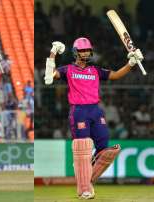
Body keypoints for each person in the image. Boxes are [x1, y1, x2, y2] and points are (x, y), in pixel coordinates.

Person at [44, 37, 143, 199]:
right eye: (82, 50)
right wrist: (53, 52)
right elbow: (49, 77)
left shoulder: (95, 71)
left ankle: (86, 181)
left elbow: (117, 75)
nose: (86, 53)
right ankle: (84, 190)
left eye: (88, 50)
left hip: (96, 111)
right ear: (76, 52)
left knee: (105, 151)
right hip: (79, 111)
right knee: (83, 150)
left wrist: (131, 63)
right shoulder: (68, 69)